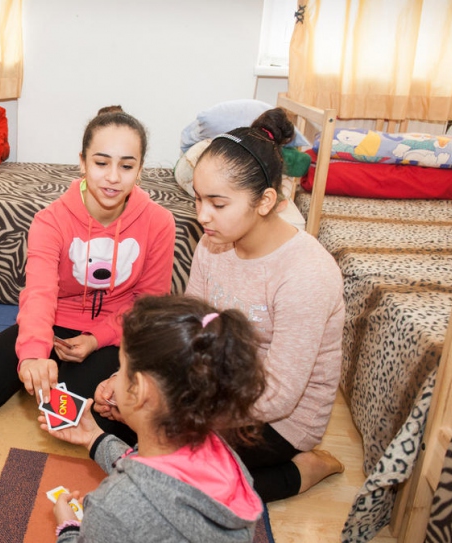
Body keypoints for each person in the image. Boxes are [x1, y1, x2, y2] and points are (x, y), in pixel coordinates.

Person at [95, 108, 347, 503]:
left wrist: (176, 409)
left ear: (265, 201)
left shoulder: (306, 275)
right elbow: (192, 332)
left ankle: (301, 470)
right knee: (113, 415)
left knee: (180, 478)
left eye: (217, 203)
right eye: (197, 199)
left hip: (279, 418)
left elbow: (279, 395)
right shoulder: (212, 244)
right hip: (217, 388)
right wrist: (132, 382)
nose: (201, 216)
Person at [0, 106, 176, 440]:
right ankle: (51, 371)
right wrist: (32, 355)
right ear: (83, 162)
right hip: (56, 319)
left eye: (126, 166)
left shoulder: (159, 222)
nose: (113, 177)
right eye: (101, 163)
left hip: (116, 332)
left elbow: (148, 306)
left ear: (140, 170)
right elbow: (39, 293)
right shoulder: (50, 220)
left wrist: (96, 338)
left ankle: (70, 377)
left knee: (65, 413)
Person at [42, 295, 266, 542]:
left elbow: (134, 498)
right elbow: (154, 472)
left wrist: (68, 528)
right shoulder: (225, 458)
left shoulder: (113, 507)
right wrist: (94, 437)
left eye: (121, 367)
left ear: (138, 389)